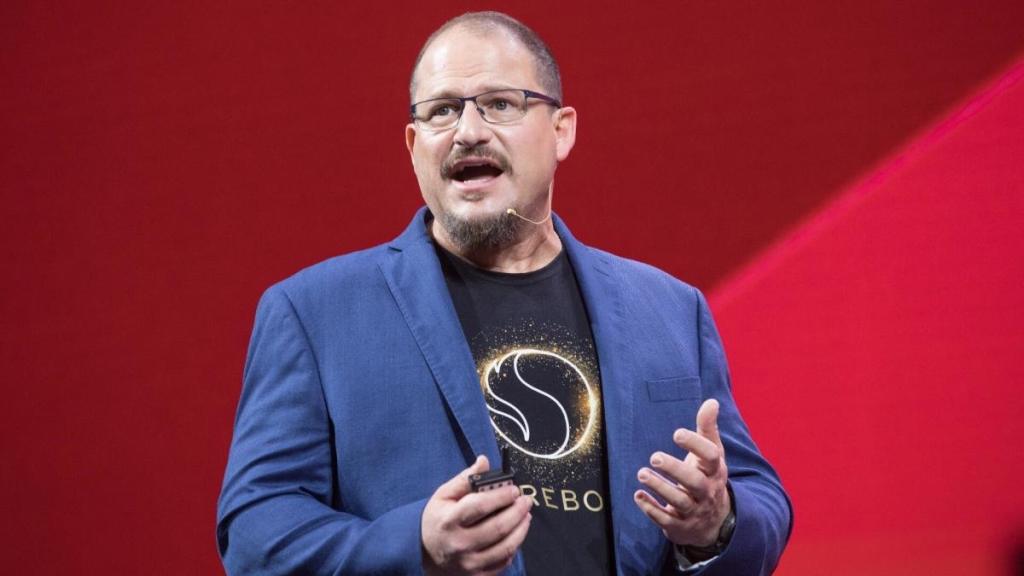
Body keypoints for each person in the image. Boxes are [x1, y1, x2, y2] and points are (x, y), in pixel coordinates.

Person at [217, 11, 791, 576]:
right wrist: (415, 545)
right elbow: (253, 531)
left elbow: (760, 498)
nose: (468, 131)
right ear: (414, 145)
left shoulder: (670, 309)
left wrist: (717, 522)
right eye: (442, 111)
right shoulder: (314, 313)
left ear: (561, 130)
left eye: (500, 104)